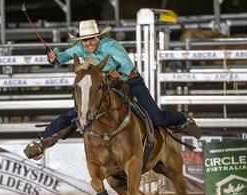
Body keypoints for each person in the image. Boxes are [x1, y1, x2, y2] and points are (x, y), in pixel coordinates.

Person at [27, 19, 202, 159]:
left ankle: (182, 120)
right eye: (85, 40)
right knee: (77, 112)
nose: (89, 43)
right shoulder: (80, 47)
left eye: (92, 39)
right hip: (106, 86)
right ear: (81, 41)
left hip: (130, 82)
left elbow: (127, 64)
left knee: (157, 117)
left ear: (98, 37)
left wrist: (120, 74)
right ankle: (42, 140)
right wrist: (53, 58)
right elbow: (61, 57)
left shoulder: (111, 46)